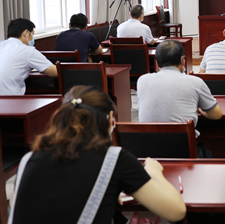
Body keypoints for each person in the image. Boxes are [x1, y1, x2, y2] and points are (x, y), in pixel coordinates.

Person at [10, 85, 186, 223]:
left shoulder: (28, 159)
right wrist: (154, 172)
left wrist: (106, 191)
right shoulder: (115, 159)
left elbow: (19, 202)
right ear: (110, 119)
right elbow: (176, 212)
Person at [137, 40, 222, 156]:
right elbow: (216, 114)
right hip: (184, 151)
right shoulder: (195, 82)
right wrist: (200, 109)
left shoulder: (142, 81)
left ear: (157, 63)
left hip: (150, 151)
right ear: (183, 60)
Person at [0, 18, 57, 95]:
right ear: (26, 33)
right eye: (32, 34)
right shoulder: (28, 51)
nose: (32, 38)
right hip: (11, 99)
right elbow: (54, 72)